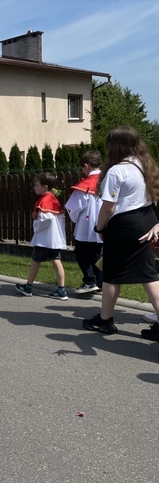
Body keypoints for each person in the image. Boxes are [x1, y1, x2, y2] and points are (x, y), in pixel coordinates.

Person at [83, 126, 159, 338]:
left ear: (115, 146)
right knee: (148, 275)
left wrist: (100, 228)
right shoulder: (145, 165)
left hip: (124, 225)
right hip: (146, 221)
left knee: (112, 275)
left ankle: (106, 320)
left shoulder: (117, 171)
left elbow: (108, 207)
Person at [15, 172, 68, 300]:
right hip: (53, 239)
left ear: (45, 187)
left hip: (44, 239)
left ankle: (28, 287)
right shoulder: (53, 199)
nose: (34, 188)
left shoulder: (45, 200)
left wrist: (36, 225)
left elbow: (46, 218)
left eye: (36, 185)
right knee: (56, 261)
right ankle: (61, 290)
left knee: (36, 261)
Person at [65, 151, 103, 294]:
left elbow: (72, 207)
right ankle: (100, 282)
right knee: (97, 254)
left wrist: (76, 219)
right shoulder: (108, 180)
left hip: (86, 226)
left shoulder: (84, 185)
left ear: (86, 166)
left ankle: (89, 280)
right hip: (105, 224)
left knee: (81, 252)